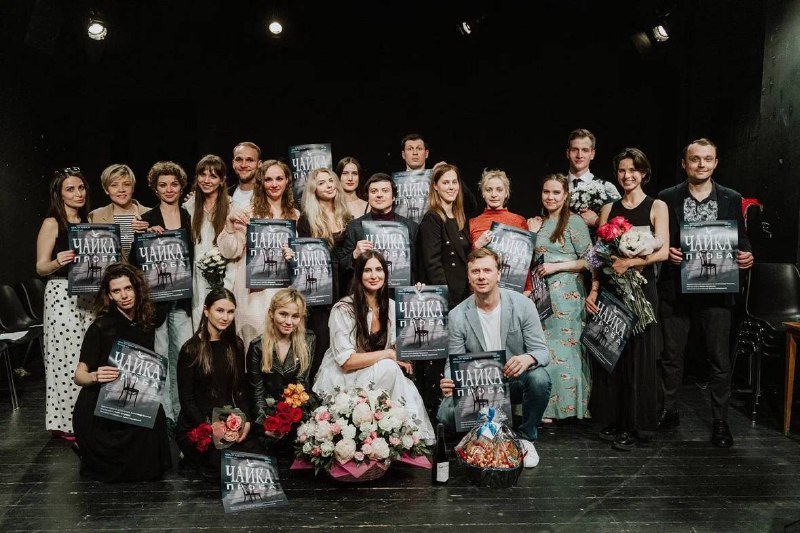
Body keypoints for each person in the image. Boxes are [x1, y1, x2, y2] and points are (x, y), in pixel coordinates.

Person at [656, 138, 753, 448]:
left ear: (715, 162)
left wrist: (746, 256)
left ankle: (720, 420)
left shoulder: (731, 197)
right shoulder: (667, 197)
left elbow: (742, 241)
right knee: (672, 356)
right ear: (684, 163)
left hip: (717, 289)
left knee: (719, 358)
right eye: (695, 159)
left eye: (707, 159)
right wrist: (667, 253)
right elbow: (659, 240)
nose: (701, 164)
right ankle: (669, 410)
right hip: (676, 288)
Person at [585, 149, 669, 450]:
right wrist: (595, 289)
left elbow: (663, 251)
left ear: (643, 173)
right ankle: (613, 419)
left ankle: (635, 425)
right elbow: (598, 254)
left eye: (633, 170)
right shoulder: (609, 207)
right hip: (613, 289)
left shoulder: (657, 206)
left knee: (638, 357)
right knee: (612, 356)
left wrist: (630, 262)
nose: (627, 176)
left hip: (642, 290)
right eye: (622, 170)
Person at [437, 248, 552, 468]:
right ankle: (483, 432)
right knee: (445, 415)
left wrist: (527, 358)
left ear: (498, 274)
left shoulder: (522, 305)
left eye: (487, 270)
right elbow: (453, 361)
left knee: (540, 378)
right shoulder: (457, 315)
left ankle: (526, 438)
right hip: (479, 387)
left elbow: (542, 352)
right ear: (469, 276)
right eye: (475, 271)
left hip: (512, 381)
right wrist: (451, 381)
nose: (481, 276)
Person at [313, 250, 435, 439]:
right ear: (359, 274)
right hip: (346, 377)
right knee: (390, 367)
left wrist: (417, 302)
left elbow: (403, 349)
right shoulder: (343, 308)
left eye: (379, 269)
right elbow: (346, 362)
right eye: (367, 270)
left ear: (385, 274)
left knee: (397, 375)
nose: (374, 275)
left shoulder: (392, 306)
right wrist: (388, 354)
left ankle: (404, 438)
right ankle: (404, 434)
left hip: (379, 374)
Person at [72, 263, 172, 481]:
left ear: (137, 289)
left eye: (128, 288)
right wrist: (95, 376)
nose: (124, 296)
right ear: (109, 295)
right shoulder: (100, 326)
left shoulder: (146, 323)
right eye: (116, 291)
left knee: (151, 462)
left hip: (133, 399)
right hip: (100, 402)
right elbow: (79, 376)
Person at [36, 167, 97, 439]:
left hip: (89, 293)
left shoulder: (88, 221)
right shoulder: (52, 223)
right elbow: (40, 267)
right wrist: (57, 262)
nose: (78, 193)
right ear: (59, 194)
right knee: (66, 358)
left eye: (81, 188)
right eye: (70, 189)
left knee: (87, 358)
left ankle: (85, 418)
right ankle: (65, 423)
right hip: (62, 292)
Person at [132, 161, 194, 428]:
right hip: (156, 302)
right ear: (155, 189)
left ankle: (182, 411)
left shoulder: (190, 216)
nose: (169, 189)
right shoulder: (146, 219)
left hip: (183, 300)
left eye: (174, 184)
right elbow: (135, 261)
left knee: (184, 354)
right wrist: (145, 236)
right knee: (159, 356)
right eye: (163, 185)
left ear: (181, 187)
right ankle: (166, 414)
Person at [527, 174, 592, 424]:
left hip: (568, 297)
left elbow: (592, 260)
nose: (550, 197)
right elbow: (527, 260)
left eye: (556, 192)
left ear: (565, 196)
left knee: (567, 350)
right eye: (547, 192)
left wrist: (558, 266)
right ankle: (546, 409)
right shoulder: (538, 223)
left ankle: (569, 408)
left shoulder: (574, 222)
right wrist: (531, 234)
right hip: (542, 297)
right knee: (545, 350)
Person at [176, 288, 259, 478]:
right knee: (220, 468)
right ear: (206, 311)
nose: (225, 317)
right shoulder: (190, 349)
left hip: (227, 418)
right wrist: (209, 427)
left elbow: (240, 389)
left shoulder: (236, 345)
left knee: (254, 459)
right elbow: (186, 400)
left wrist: (246, 420)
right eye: (220, 310)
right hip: (198, 423)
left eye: (230, 312)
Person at [219, 159, 300, 349]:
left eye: (279, 178)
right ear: (261, 183)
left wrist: (294, 254)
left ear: (287, 181)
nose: (274, 184)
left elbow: (299, 256)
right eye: (268, 179)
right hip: (254, 292)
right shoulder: (247, 212)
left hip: (283, 289)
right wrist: (229, 225)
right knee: (253, 344)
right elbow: (230, 251)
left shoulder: (295, 215)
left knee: (281, 346)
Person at [415, 163, 472, 411]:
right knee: (439, 357)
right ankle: (436, 409)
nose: (451, 187)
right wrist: (445, 300)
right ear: (435, 187)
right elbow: (432, 263)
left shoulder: (459, 217)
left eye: (454, 182)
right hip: (445, 299)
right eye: (445, 182)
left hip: (462, 295)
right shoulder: (432, 218)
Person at [294, 167, 352, 379]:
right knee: (321, 345)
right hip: (320, 296)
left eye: (330, 180)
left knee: (345, 345)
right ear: (313, 190)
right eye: (321, 183)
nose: (328, 185)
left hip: (346, 289)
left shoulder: (348, 217)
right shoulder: (306, 220)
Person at [247, 288, 315, 451]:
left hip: (296, 414)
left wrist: (288, 421)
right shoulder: (257, 346)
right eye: (283, 314)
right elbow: (257, 393)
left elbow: (301, 384)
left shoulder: (308, 340)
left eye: (295, 316)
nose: (289, 322)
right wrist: (267, 425)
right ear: (271, 313)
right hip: (267, 416)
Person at [337, 172, 419, 291]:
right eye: (374, 191)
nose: (379, 195)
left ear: (393, 197)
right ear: (368, 197)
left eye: (385, 191)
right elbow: (340, 267)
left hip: (399, 292)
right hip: (366, 293)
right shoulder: (354, 227)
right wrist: (354, 255)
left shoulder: (410, 227)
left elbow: (418, 267)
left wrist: (419, 284)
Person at [185, 155, 236, 328]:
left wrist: (226, 288)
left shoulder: (231, 207)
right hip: (196, 281)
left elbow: (234, 252)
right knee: (199, 327)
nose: (206, 180)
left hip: (223, 279)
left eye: (213, 176)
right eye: (202, 175)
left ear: (222, 180)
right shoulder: (189, 206)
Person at [470, 168, 532, 293]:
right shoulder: (473, 223)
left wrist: (528, 289)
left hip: (513, 291)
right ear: (483, 193)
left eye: (499, 190)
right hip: (481, 290)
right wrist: (477, 245)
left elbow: (525, 261)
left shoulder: (519, 221)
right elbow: (466, 261)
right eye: (489, 190)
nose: (494, 194)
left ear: (506, 193)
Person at [400, 133, 477, 214]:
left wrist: (451, 175)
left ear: (426, 154)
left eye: (419, 148)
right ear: (403, 154)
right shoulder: (394, 182)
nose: (415, 152)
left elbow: (470, 206)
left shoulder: (439, 179)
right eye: (410, 149)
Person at [88, 163, 150, 258]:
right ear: (106, 190)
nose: (121, 189)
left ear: (132, 188)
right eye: (114, 185)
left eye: (126, 184)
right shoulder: (95, 216)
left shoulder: (151, 214)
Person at [230, 141, 262, 210]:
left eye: (249, 160)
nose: (243, 165)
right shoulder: (224, 195)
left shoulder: (269, 194)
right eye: (239, 160)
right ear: (233, 164)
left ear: (259, 164)